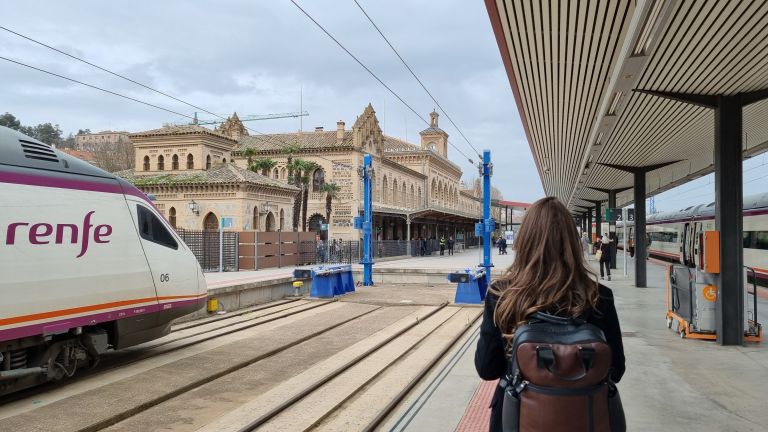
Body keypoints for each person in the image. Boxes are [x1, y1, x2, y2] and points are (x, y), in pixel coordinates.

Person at [474, 197, 625, 432]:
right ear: (572, 243)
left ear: (524, 242)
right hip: (584, 417)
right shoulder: (598, 295)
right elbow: (615, 369)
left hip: (516, 419)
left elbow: (487, 369)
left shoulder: (502, 294)